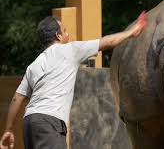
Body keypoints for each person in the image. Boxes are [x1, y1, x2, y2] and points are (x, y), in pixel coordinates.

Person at [0, 11, 147, 149]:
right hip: (49, 122)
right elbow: (107, 42)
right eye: (65, 30)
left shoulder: (34, 65)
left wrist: (8, 129)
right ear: (58, 36)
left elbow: (17, 99)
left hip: (29, 123)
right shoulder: (70, 50)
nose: (68, 34)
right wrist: (131, 32)